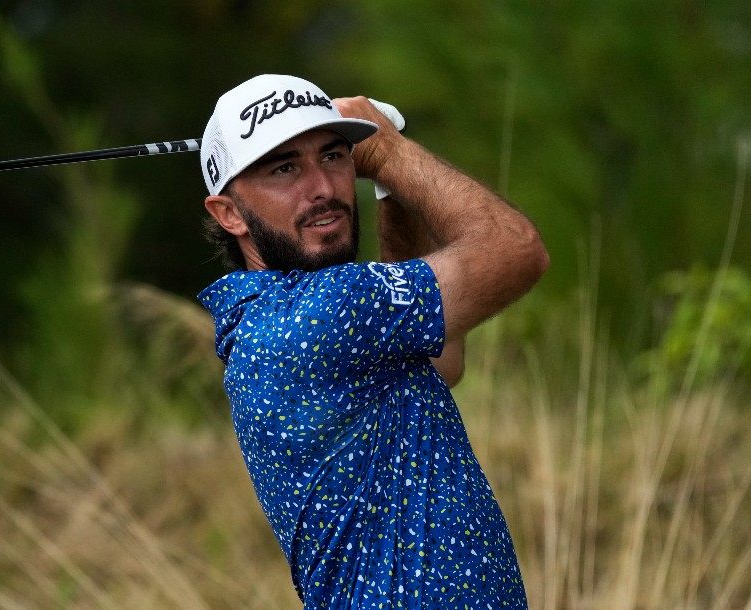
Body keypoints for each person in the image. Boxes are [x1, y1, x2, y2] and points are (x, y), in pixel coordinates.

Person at [197, 74, 548, 608]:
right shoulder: (321, 313)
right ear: (228, 213)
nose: (322, 187)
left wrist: (389, 187)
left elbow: (439, 361)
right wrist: (388, 153)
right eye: (284, 168)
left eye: (334, 156)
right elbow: (517, 251)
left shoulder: (272, 318)